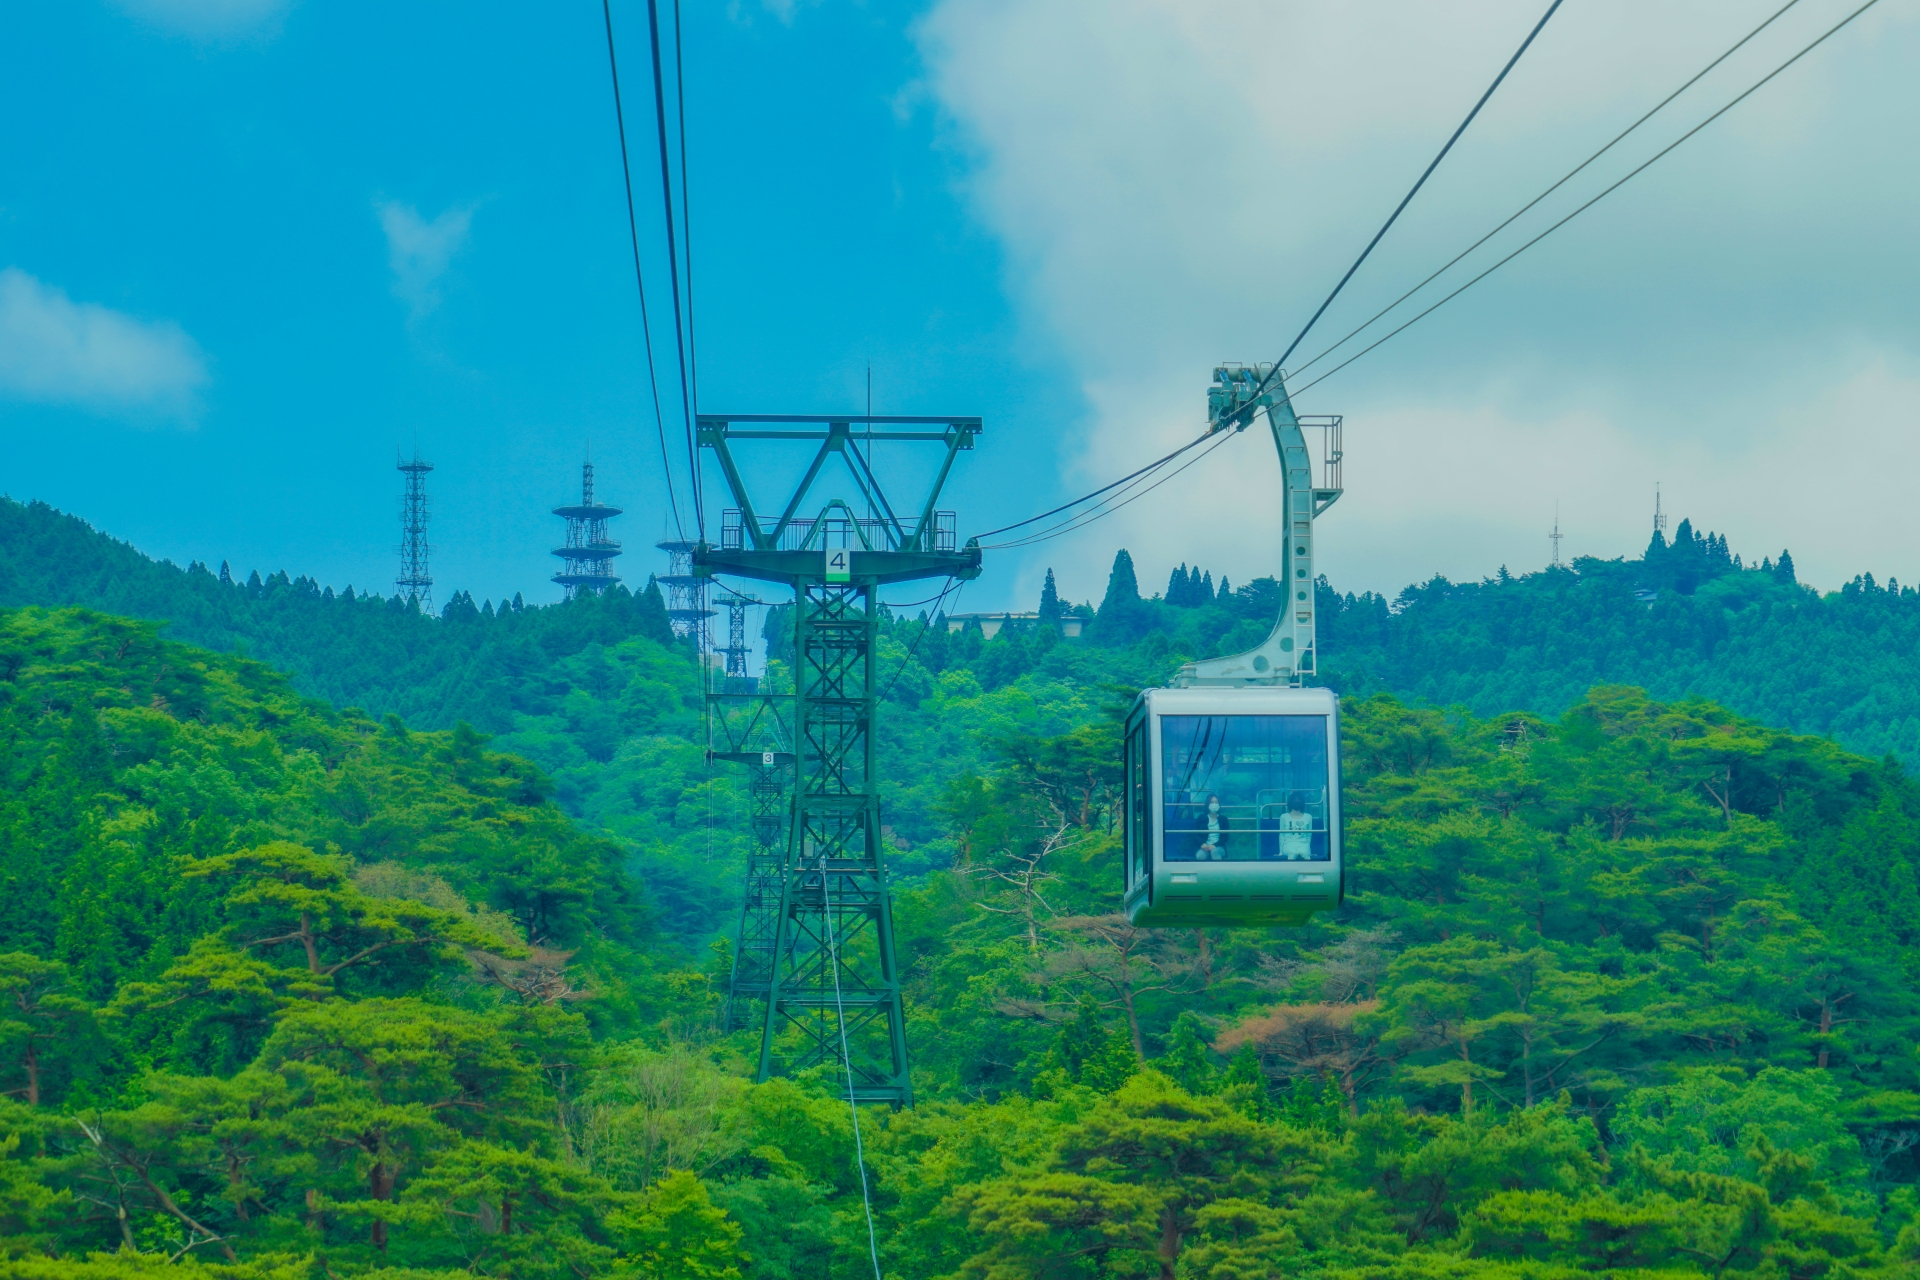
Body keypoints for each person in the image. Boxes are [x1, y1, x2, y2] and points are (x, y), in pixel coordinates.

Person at [1278, 792, 1314, 860]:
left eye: (1299, 801)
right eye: (1294, 801)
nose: (1296, 802)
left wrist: (1308, 848)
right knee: (1292, 853)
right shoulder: (1284, 817)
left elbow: (1308, 835)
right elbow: (1282, 835)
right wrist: (1281, 851)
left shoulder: (1308, 817)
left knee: (1305, 854)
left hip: (1303, 844)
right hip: (1288, 843)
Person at [1196, 793, 1230, 860]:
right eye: (1212, 802)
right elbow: (1195, 834)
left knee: (1215, 852)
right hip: (1205, 846)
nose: (1214, 804)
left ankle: (1217, 870)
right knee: (1200, 855)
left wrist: (1215, 845)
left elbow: (1225, 837)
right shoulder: (1201, 818)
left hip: (1219, 847)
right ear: (1208, 804)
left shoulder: (1223, 819)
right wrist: (1202, 844)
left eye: (1216, 802)